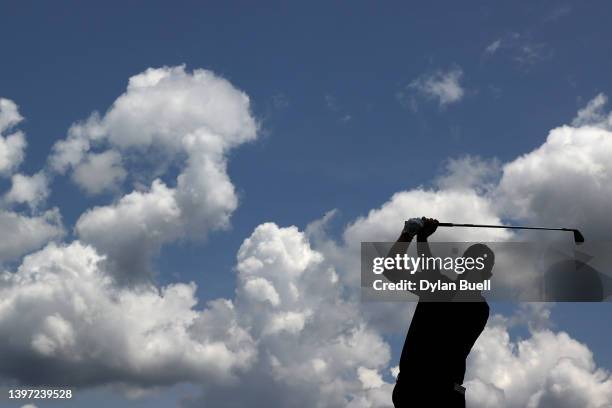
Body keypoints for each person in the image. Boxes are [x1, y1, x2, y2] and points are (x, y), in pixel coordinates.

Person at [383, 217, 494, 407]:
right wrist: (414, 237)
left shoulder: (477, 308)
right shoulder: (441, 289)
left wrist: (415, 236)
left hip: (435, 393)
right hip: (422, 391)